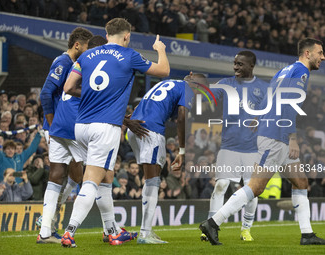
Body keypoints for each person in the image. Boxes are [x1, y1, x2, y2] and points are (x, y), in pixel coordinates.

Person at [200, 38, 325, 245]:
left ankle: (307, 234)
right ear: (307, 54)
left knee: (301, 182)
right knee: (256, 187)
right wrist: (293, 138)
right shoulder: (301, 72)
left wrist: (257, 117)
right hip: (276, 137)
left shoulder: (284, 71)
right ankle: (213, 223)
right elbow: (287, 103)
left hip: (272, 132)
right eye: (320, 53)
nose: (323, 57)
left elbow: (271, 93)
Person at [61, 18, 169, 248]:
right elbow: (164, 70)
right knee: (92, 179)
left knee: (106, 178)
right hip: (105, 127)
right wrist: (160, 50)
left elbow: (68, 87)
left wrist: (91, 95)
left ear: (106, 34)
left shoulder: (86, 56)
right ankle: (69, 231)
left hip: (81, 126)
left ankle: (112, 231)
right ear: (127, 36)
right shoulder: (129, 55)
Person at [200, 51, 268, 242]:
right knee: (220, 185)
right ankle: (211, 226)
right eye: (235, 63)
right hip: (229, 146)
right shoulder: (226, 83)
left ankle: (246, 229)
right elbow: (207, 94)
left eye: (240, 64)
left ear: (251, 66)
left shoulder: (263, 88)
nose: (236, 67)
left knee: (251, 190)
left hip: (254, 149)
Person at [127, 74, 203, 244]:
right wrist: (182, 150)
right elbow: (182, 117)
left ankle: (146, 230)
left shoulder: (166, 84)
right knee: (153, 181)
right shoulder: (188, 88)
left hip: (134, 128)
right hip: (150, 131)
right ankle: (145, 233)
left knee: (149, 180)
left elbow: (141, 104)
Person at [37, 27, 93, 243]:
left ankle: (46, 229)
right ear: (77, 45)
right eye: (87, 48)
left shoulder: (73, 64)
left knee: (61, 173)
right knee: (81, 172)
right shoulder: (63, 62)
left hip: (62, 124)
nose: (88, 53)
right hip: (58, 125)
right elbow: (45, 93)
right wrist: (51, 124)